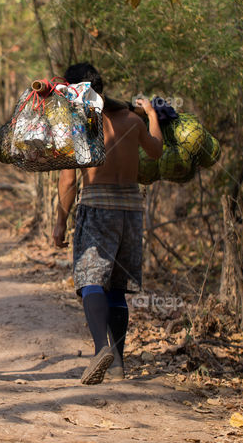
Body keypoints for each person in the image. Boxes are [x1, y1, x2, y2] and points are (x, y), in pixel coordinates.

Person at [52, 63, 163, 384]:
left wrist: (60, 220)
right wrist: (152, 115)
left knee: (90, 281)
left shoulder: (81, 124)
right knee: (116, 287)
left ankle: (102, 349)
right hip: (131, 211)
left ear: (76, 91)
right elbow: (155, 152)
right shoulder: (131, 119)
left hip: (98, 208)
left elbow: (68, 181)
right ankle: (118, 365)